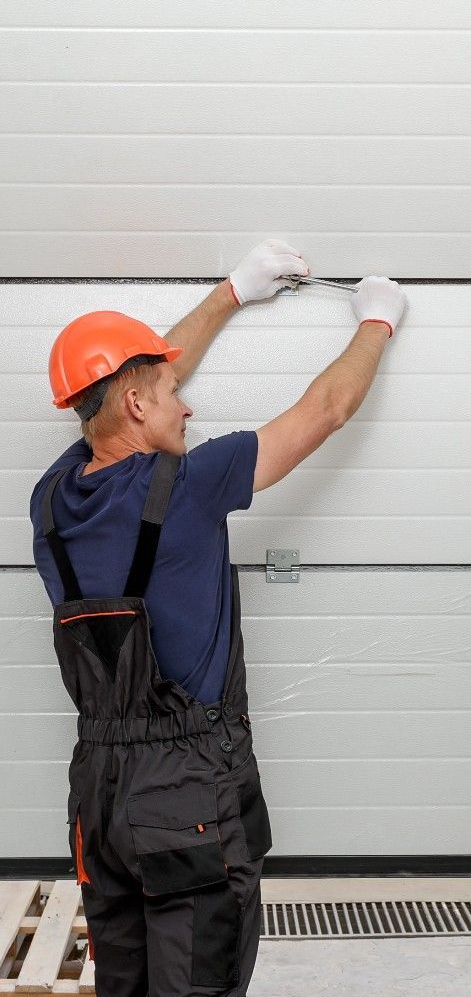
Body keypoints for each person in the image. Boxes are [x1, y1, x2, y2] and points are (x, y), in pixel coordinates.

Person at [30, 241, 406, 997]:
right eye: (172, 392)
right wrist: (378, 322)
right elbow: (327, 410)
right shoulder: (194, 484)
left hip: (100, 793)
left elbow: (127, 386)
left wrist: (232, 292)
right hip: (188, 792)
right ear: (137, 405)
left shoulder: (53, 498)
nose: (188, 403)